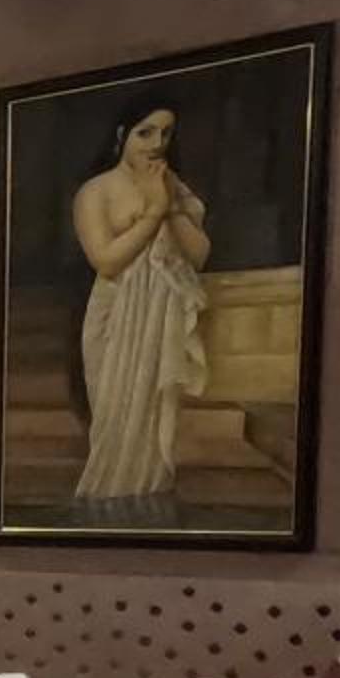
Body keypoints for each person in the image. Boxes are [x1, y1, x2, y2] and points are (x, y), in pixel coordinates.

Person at [69, 99, 210, 519]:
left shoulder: (173, 186)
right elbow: (106, 261)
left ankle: (147, 511)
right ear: (121, 135)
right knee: (115, 417)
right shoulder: (95, 191)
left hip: (161, 314)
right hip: (115, 315)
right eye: (145, 132)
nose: (156, 142)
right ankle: (104, 512)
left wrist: (169, 204)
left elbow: (199, 255)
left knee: (153, 421)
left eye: (166, 133)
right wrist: (153, 212)